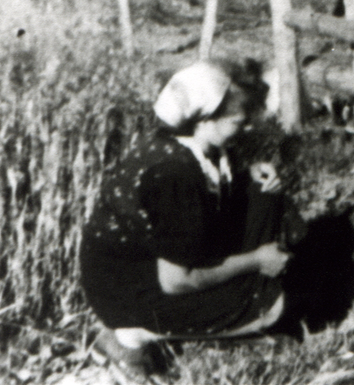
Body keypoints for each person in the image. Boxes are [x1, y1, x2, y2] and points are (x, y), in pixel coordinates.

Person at [79, 58, 306, 379]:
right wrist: (255, 260)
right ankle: (128, 338)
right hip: (129, 291)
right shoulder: (174, 174)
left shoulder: (190, 146)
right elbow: (176, 280)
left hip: (150, 268)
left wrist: (246, 176)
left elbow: (208, 193)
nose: (248, 127)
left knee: (261, 194)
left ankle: (220, 327)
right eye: (238, 122)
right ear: (204, 119)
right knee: (270, 303)